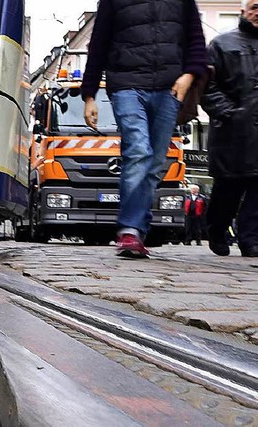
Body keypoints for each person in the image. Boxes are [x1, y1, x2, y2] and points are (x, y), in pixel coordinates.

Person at [81, 0, 208, 258]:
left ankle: (138, 226)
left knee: (155, 163)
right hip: (126, 84)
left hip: (169, 87)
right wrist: (89, 95)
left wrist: (189, 75)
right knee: (138, 151)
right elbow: (99, 43)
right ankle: (130, 230)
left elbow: (196, 39)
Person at [200, 0, 258, 257]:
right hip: (232, 131)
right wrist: (228, 113)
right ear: (243, 11)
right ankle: (216, 228)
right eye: (255, 7)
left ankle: (250, 240)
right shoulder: (222, 44)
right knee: (228, 188)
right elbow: (207, 86)